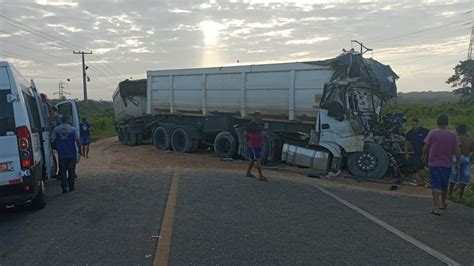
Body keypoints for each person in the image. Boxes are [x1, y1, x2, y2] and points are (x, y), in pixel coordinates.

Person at [423, 115, 460, 216]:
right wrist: (457, 163)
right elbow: (457, 151)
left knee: (435, 185)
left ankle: (436, 207)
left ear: (437, 122)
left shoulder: (432, 133)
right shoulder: (453, 135)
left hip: (434, 163)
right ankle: (443, 203)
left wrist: (424, 156)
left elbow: (426, 147)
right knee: (444, 185)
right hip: (447, 164)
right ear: (447, 123)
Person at [51, 115, 82, 193]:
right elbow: (78, 141)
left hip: (61, 154)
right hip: (71, 154)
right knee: (71, 171)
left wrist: (56, 147)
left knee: (62, 171)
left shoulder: (56, 129)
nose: (71, 121)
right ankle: (71, 187)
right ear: (67, 120)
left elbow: (52, 140)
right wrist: (80, 150)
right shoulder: (73, 129)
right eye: (70, 120)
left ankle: (64, 187)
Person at [448, 124, 473, 201]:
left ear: (458, 131)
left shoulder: (456, 138)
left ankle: (449, 194)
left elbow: (453, 149)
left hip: (456, 157)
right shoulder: (471, 140)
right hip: (466, 158)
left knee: (453, 177)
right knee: (464, 179)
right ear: (466, 131)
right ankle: (460, 196)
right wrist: (471, 161)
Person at [404, 118, 430, 186]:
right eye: (412, 124)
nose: (414, 126)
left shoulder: (425, 131)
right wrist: (406, 153)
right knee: (420, 169)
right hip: (416, 154)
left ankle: (423, 181)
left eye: (415, 124)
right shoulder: (409, 133)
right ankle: (420, 182)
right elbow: (406, 143)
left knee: (426, 168)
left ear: (419, 124)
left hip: (426, 153)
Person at [245, 112, 267, 182]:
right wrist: (249, 140)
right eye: (260, 116)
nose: (261, 118)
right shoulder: (250, 125)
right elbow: (246, 134)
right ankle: (261, 175)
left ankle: (248, 173)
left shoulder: (259, 123)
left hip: (258, 144)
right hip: (254, 145)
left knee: (252, 159)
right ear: (256, 116)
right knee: (258, 159)